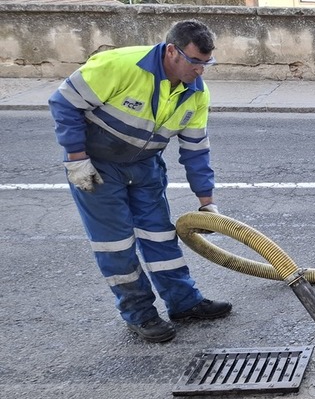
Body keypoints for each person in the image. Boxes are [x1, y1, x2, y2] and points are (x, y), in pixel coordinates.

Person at [49, 19, 232, 344]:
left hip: (145, 166)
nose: (201, 71)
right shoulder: (120, 65)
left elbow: (195, 151)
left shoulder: (196, 94)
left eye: (207, 64)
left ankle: (184, 303)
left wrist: (207, 202)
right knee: (115, 245)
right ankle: (140, 314)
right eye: (195, 62)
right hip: (99, 168)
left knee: (160, 237)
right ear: (172, 51)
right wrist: (76, 158)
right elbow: (64, 102)